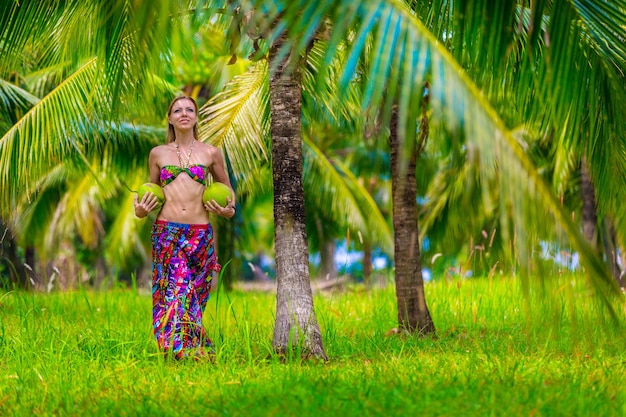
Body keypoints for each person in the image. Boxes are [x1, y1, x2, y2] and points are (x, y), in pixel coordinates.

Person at [134, 95, 236, 360]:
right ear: (169, 118)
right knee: (178, 290)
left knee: (197, 293)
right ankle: (179, 350)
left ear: (196, 117)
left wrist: (227, 210)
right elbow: (150, 194)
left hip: (200, 233)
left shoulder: (210, 153)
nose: (184, 113)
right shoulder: (158, 153)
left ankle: (188, 345)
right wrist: (141, 210)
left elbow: (227, 191)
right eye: (177, 110)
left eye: (189, 109)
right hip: (167, 231)